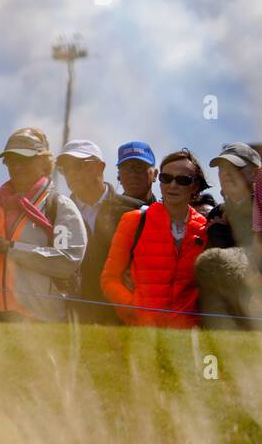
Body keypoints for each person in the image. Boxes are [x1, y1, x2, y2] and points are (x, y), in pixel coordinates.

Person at [0, 128, 86, 323]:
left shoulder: (59, 207)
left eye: (24, 160)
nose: (17, 167)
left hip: (39, 319)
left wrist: (10, 248)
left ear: (44, 162)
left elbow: (67, 260)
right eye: (11, 160)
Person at [101, 148, 209, 329]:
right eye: (166, 178)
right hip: (142, 333)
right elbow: (109, 279)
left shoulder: (205, 229)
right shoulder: (133, 220)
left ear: (195, 186)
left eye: (183, 180)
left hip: (186, 336)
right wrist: (133, 307)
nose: (173, 185)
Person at [56, 139, 142, 324]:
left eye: (79, 165)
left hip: (127, 317)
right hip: (77, 318)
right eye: (65, 168)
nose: (71, 173)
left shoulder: (136, 211)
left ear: (100, 167)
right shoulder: (56, 214)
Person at [196, 143, 262, 330]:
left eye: (236, 167)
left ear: (256, 172)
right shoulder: (216, 213)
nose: (226, 173)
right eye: (222, 168)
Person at [115, 141, 158, 205]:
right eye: (125, 169)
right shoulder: (103, 212)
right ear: (119, 177)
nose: (132, 175)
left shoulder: (170, 212)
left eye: (139, 167)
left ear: (155, 174)